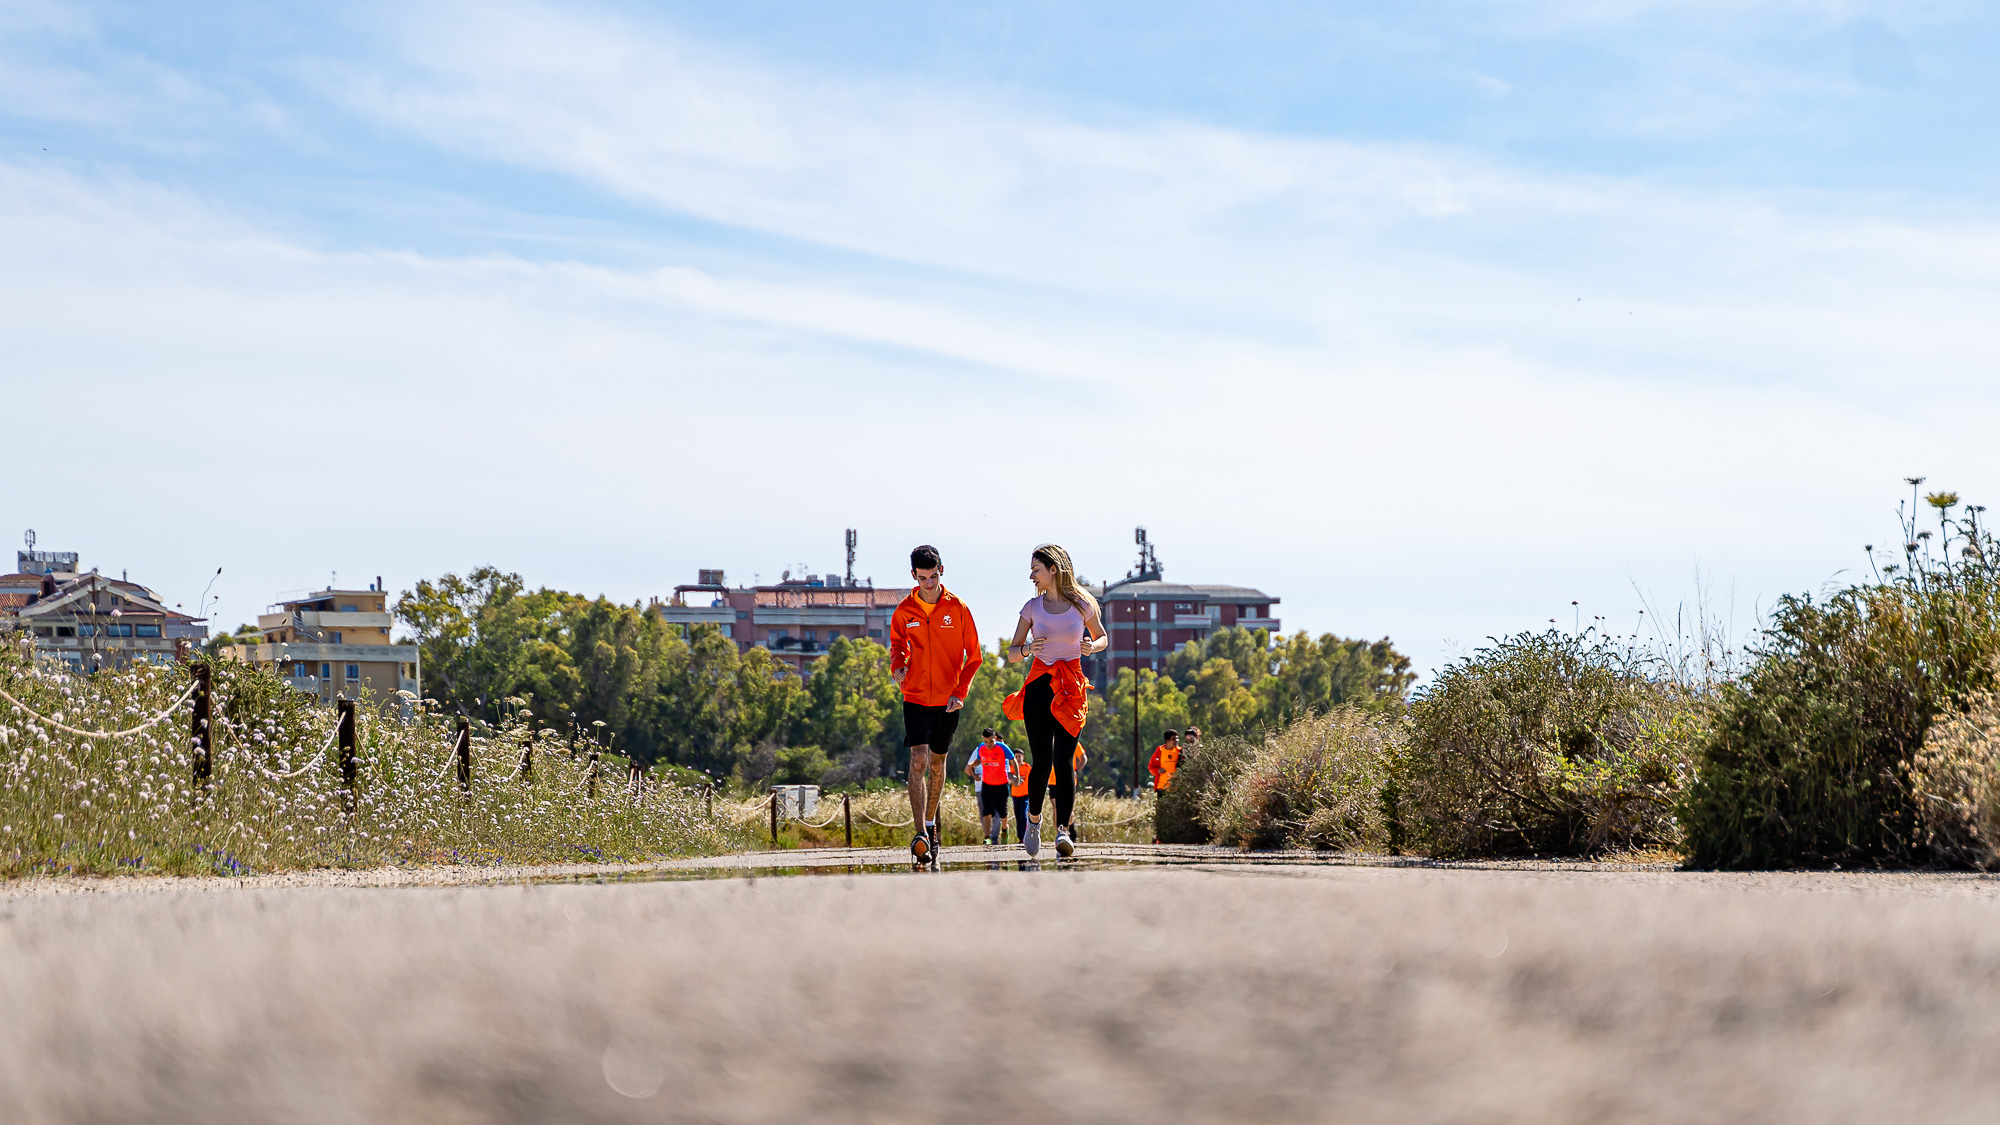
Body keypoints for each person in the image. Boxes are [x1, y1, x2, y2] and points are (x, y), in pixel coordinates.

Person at [1002, 544, 1108, 858]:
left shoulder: (1083, 603)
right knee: (1042, 761)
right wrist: (1027, 650)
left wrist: (1093, 646)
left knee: (1064, 762)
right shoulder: (1032, 608)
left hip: (1072, 687)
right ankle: (1034, 822)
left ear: (1053, 570)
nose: (1031, 575)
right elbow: (1011, 652)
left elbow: (1103, 637)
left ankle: (1063, 831)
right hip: (1039, 685)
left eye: (1036, 570)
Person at [890, 544, 982, 864]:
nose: (928, 582)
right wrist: (897, 665)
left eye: (933, 576)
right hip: (914, 695)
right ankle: (919, 834)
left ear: (941, 571)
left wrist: (960, 691)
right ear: (913, 575)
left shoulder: (958, 609)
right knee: (918, 761)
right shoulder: (904, 610)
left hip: (947, 701)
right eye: (922, 577)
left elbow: (975, 657)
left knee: (938, 764)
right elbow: (897, 645)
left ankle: (930, 826)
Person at [965, 727, 1018, 845]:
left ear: (995, 739)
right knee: (986, 811)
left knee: (1001, 811)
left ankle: (1004, 828)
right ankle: (988, 837)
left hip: (1001, 784)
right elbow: (974, 763)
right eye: (986, 741)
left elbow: (1012, 762)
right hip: (986, 784)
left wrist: (1016, 777)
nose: (988, 744)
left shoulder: (1002, 748)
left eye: (991, 741)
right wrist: (973, 772)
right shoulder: (980, 748)